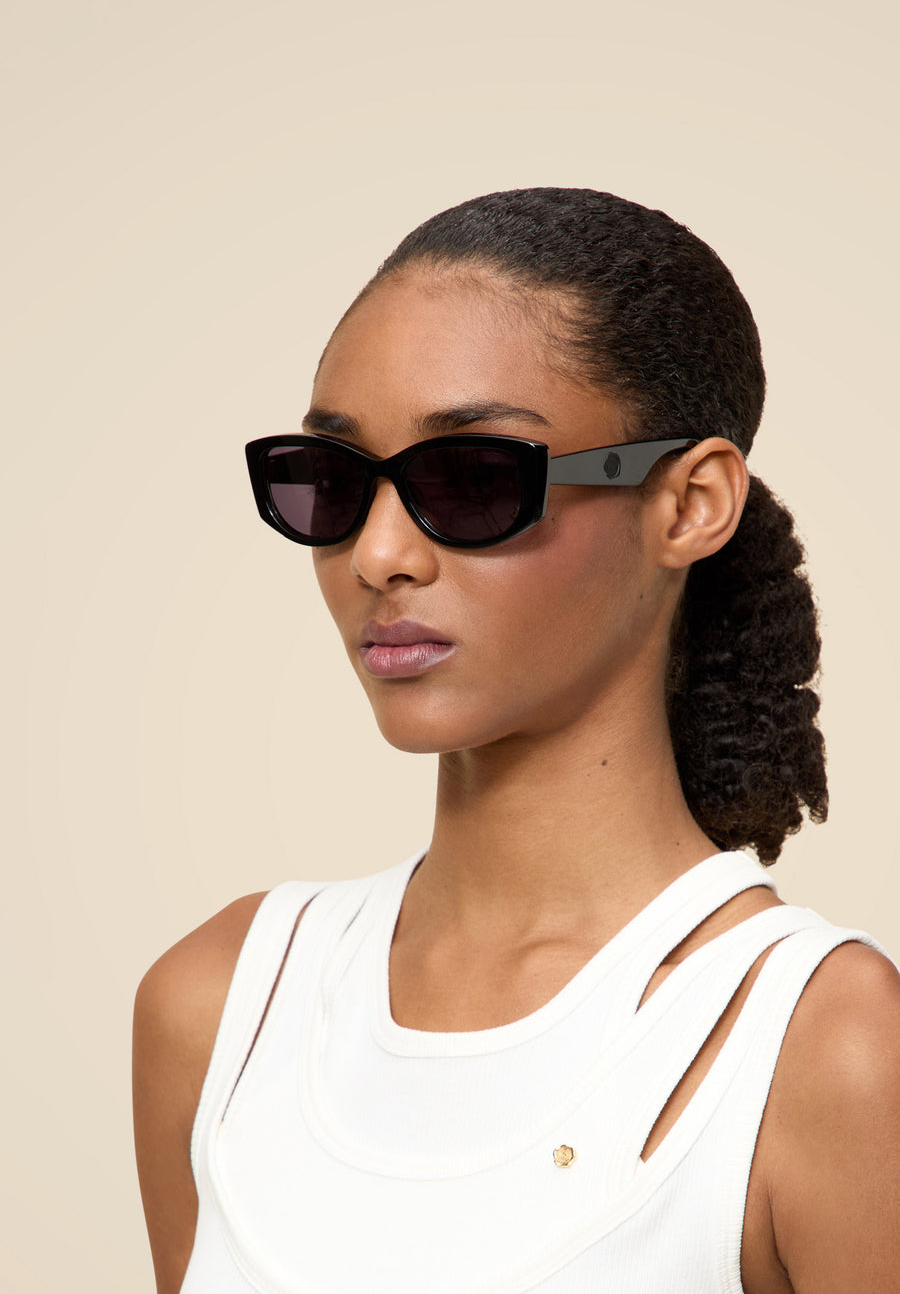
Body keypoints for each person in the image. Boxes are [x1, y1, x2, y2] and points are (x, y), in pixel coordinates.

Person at [133, 187, 900, 1294]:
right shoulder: (220, 1007)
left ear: (689, 505)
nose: (378, 554)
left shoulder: (824, 1049)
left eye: (474, 479)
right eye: (337, 483)